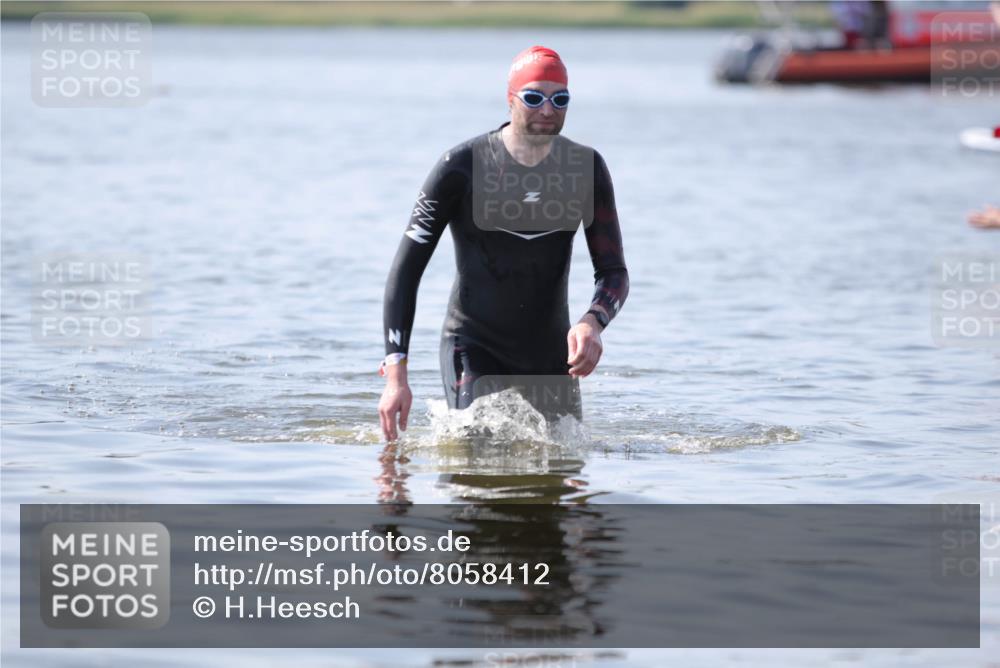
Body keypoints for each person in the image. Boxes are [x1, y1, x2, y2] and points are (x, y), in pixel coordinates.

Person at [378, 46, 629, 442]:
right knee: (476, 453)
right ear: (511, 99)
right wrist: (396, 376)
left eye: (560, 99)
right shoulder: (462, 166)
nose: (547, 109)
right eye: (534, 97)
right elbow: (405, 272)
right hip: (474, 348)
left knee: (561, 466)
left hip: (550, 354)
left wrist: (592, 322)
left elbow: (613, 272)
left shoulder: (585, 168)